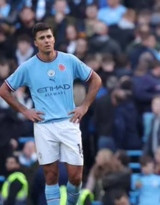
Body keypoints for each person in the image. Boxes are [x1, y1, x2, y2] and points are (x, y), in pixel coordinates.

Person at [0, 22, 102, 205]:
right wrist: (25, 111)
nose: (47, 40)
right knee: (51, 174)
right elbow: (4, 90)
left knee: (76, 176)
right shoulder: (28, 67)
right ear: (36, 43)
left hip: (68, 122)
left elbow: (96, 80)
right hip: (44, 125)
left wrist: (84, 106)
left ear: (53, 39)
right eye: (42, 38)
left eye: (49, 36)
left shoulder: (69, 60)